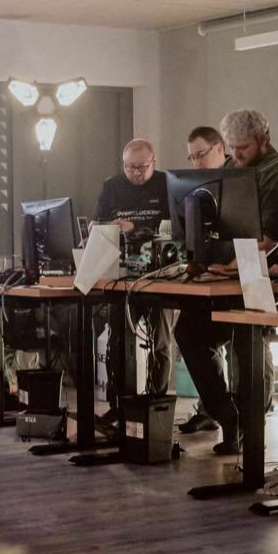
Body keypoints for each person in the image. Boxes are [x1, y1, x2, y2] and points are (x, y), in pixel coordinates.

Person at [171, 109, 278, 455]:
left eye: (242, 147)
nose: (236, 154)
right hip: (227, 271)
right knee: (188, 332)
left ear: (263, 140)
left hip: (263, 273)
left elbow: (271, 237)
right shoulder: (228, 169)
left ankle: (248, 425)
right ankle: (226, 413)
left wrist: (231, 266)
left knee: (247, 346)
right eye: (233, 147)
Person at [94, 138, 173, 397]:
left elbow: (174, 230)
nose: (136, 173)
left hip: (159, 271)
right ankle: (119, 401)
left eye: (141, 167)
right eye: (130, 167)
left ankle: (156, 401)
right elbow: (99, 222)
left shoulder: (167, 184)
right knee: (118, 338)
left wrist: (136, 229)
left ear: (154, 162)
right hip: (122, 271)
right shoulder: (112, 186)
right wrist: (103, 228)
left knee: (159, 341)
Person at [176, 125, 229, 434]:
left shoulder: (237, 182)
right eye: (191, 157)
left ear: (219, 148)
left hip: (241, 279)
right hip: (210, 277)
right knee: (187, 330)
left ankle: (236, 420)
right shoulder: (195, 188)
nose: (196, 163)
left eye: (201, 155)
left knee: (193, 333)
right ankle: (222, 412)